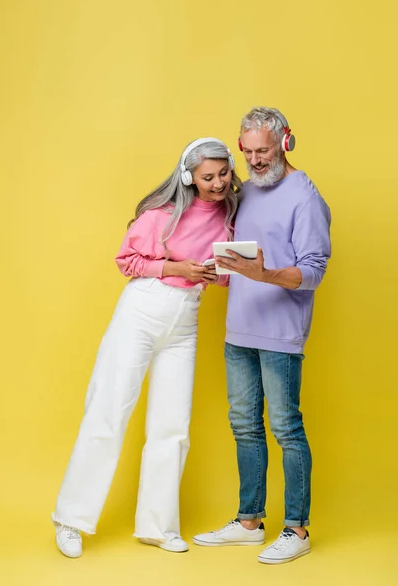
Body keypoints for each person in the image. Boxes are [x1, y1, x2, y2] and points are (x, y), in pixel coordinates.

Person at [52, 137, 242, 558]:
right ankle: (70, 519)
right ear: (189, 177)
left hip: (185, 321)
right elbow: (128, 261)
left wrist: (215, 275)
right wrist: (175, 266)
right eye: (207, 177)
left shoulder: (232, 216)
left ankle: (158, 526)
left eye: (223, 173)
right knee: (109, 410)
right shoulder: (162, 215)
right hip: (142, 312)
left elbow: (232, 274)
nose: (217, 183)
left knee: (173, 424)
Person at [193, 107, 331, 564]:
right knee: (244, 425)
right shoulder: (246, 193)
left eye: (263, 151)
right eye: (247, 151)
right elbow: (242, 261)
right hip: (239, 330)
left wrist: (264, 272)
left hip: (281, 334)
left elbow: (312, 272)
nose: (253, 160)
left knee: (286, 428)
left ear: (285, 143)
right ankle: (250, 520)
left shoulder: (305, 197)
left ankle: (297, 527)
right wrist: (222, 272)